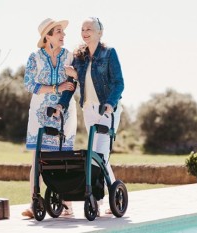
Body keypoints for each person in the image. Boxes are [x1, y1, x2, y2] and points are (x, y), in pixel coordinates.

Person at [55, 17, 124, 215]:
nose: (85, 32)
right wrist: (61, 104)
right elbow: (71, 85)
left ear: (100, 32)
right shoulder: (80, 57)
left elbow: (119, 82)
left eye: (89, 29)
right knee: (97, 155)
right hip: (89, 109)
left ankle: (99, 199)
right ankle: (114, 192)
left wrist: (110, 103)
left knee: (99, 154)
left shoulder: (109, 53)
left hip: (107, 109)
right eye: (83, 29)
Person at [22, 18, 77, 218]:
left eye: (63, 32)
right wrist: (56, 88)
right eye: (59, 32)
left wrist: (74, 76)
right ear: (48, 36)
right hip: (40, 115)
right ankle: (34, 202)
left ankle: (67, 204)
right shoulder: (34, 58)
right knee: (38, 159)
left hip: (64, 114)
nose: (64, 35)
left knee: (64, 158)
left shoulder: (70, 56)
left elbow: (74, 83)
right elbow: (29, 84)